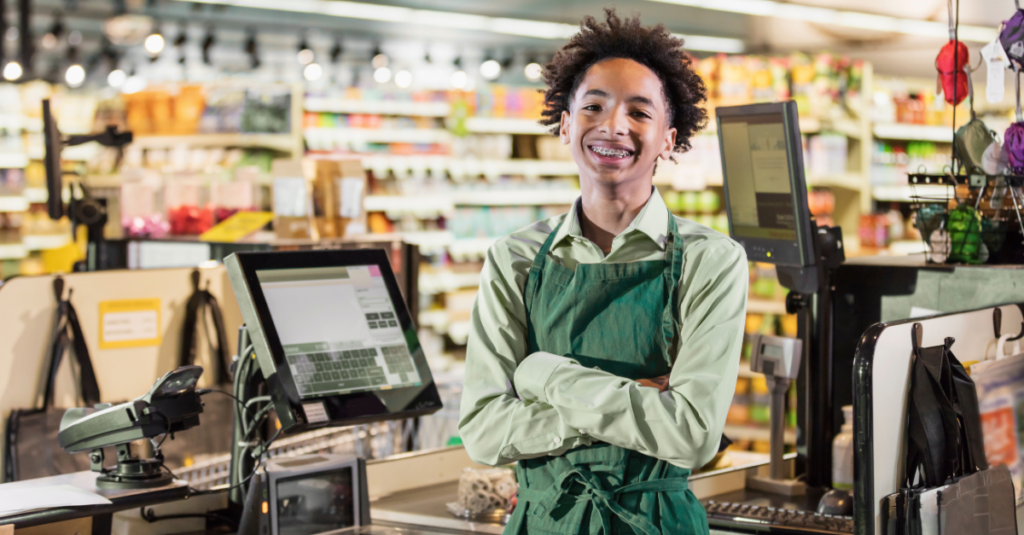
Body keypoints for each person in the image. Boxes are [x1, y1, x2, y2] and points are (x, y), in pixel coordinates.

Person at [458, 9, 748, 535]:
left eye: (640, 113)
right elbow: (482, 432)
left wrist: (544, 375)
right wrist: (634, 403)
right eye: (594, 106)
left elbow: (692, 436)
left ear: (668, 139)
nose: (613, 125)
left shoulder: (711, 260)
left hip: (657, 523)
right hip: (542, 523)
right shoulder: (515, 258)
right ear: (567, 125)